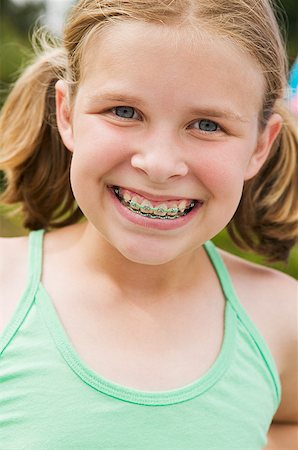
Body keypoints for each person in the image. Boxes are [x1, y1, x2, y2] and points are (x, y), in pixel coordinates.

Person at [0, 0, 297, 448]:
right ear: (67, 114)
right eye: (124, 111)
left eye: (206, 124)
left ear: (259, 146)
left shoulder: (283, 317)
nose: (158, 164)